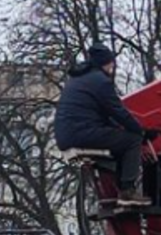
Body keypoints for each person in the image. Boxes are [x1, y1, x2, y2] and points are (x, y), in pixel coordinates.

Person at [54, 43, 155, 203]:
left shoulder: (77, 79)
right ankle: (127, 191)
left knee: (118, 141)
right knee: (132, 140)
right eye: (111, 63)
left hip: (68, 135)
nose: (113, 66)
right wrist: (141, 131)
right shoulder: (101, 81)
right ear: (105, 63)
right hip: (81, 134)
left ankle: (117, 190)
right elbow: (118, 112)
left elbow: (104, 117)